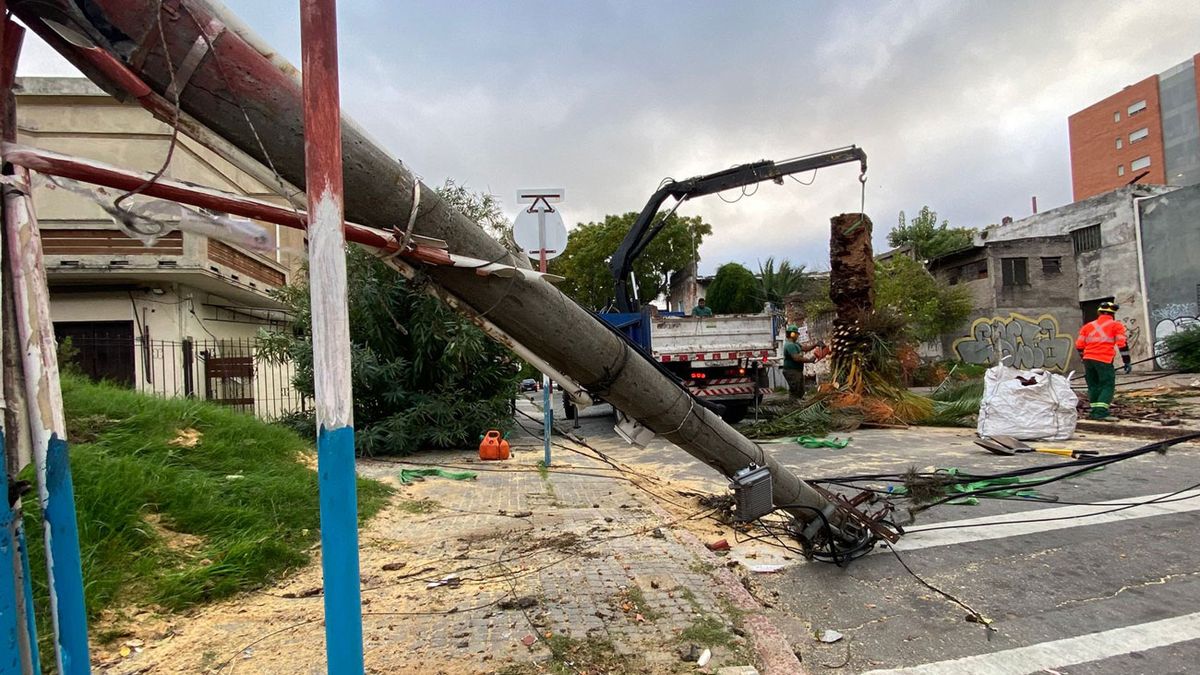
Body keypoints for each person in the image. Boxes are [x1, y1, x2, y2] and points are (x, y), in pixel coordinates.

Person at [1075, 301, 1131, 421]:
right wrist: (1127, 361)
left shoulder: (1088, 326)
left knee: (1093, 385)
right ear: (1113, 314)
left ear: (1099, 313)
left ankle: (1095, 411)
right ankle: (1100, 412)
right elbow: (1122, 344)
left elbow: (1079, 345)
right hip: (1104, 359)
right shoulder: (1116, 325)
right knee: (1107, 385)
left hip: (1088, 359)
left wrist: (1084, 358)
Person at [782, 325, 825, 398]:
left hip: (797, 371)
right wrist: (809, 360)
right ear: (792, 334)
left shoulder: (795, 344)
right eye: (796, 334)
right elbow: (796, 358)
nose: (797, 336)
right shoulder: (790, 345)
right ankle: (793, 403)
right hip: (792, 371)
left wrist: (816, 345)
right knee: (795, 390)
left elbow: (805, 348)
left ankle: (798, 402)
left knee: (800, 390)